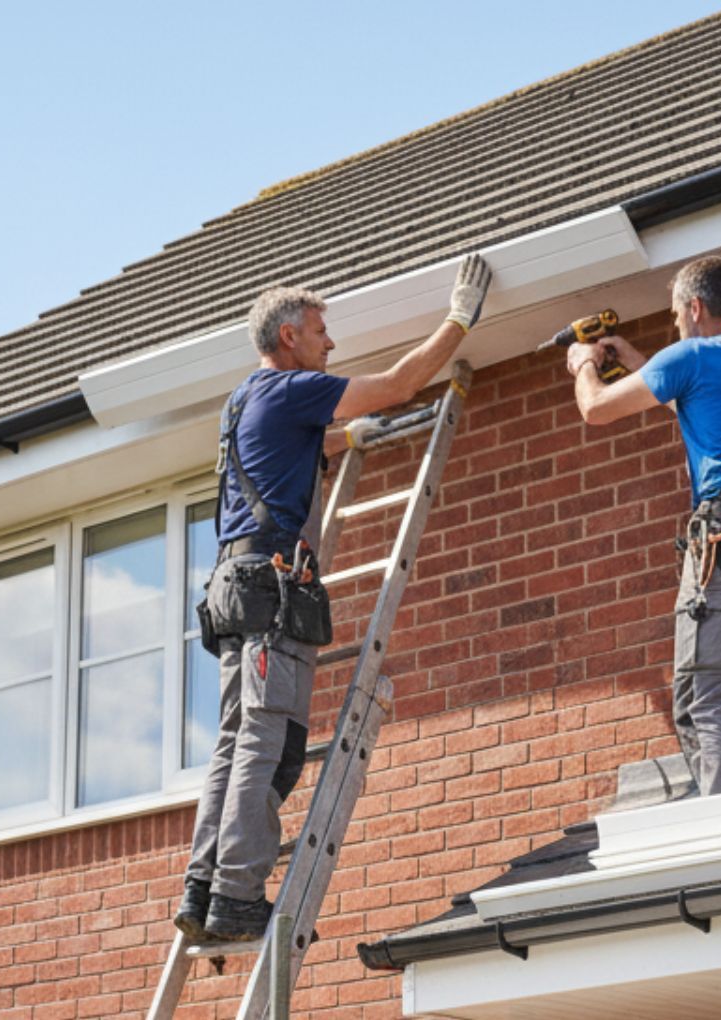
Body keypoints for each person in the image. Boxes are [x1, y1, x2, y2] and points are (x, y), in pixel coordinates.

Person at [180, 254, 493, 941]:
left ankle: (204, 888)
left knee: (236, 743)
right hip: (270, 593)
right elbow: (398, 384)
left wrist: (343, 439)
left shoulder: (245, 400)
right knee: (271, 747)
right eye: (321, 331)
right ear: (288, 337)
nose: (331, 344)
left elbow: (283, 452)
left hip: (236, 589)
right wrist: (459, 319)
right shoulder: (293, 388)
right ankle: (235, 895)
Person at [564, 256, 721, 797]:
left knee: (702, 701)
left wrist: (584, 362)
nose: (675, 326)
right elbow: (700, 401)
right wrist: (632, 357)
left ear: (695, 307)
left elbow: (598, 409)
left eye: (676, 316)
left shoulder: (691, 355)